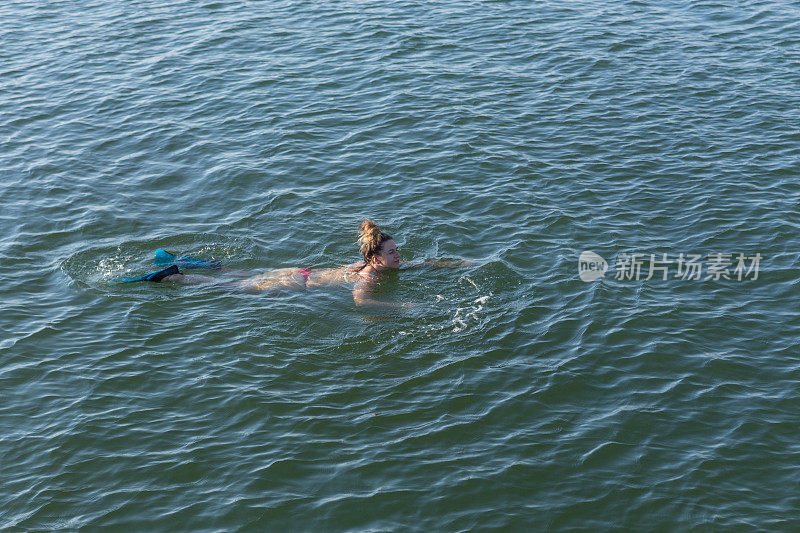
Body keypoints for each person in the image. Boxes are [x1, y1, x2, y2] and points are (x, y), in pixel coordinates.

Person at [115, 219, 470, 308]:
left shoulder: (372, 265)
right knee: (232, 289)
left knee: (244, 275)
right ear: (375, 259)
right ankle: (173, 277)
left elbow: (420, 264)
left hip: (297, 271)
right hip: (293, 284)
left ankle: (192, 262)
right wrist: (407, 307)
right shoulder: (369, 279)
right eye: (393, 253)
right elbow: (361, 302)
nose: (399, 256)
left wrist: (455, 264)